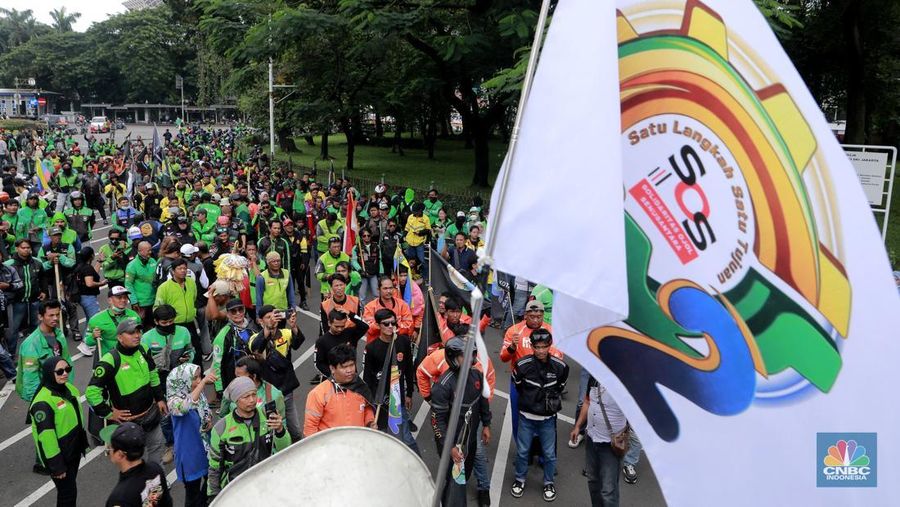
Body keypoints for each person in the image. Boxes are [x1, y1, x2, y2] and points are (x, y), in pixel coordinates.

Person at [87, 318, 168, 466]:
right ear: (119, 337)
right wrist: (109, 413)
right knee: (132, 460)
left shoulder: (144, 348)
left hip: (151, 414)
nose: (137, 335)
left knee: (156, 448)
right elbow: (92, 392)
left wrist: (160, 398)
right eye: (131, 333)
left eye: (138, 331)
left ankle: (157, 483)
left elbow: (153, 373)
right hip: (128, 424)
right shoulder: (110, 360)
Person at [429, 337, 492, 506]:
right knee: (451, 478)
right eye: (464, 355)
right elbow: (437, 420)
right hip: (452, 442)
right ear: (453, 357)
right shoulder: (443, 386)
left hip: (470, 439)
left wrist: (486, 424)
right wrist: (449, 447)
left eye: (472, 355)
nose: (470, 359)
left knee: (465, 473)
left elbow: (483, 402)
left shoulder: (477, 375)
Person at [207, 377, 290, 500]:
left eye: (254, 394)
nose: (252, 400)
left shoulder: (268, 418)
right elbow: (214, 466)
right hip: (236, 491)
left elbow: (285, 449)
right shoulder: (221, 428)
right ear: (235, 400)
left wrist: (280, 430)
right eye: (246, 397)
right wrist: (213, 495)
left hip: (267, 485)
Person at [509, 329, 569, 502]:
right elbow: (518, 386)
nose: (541, 350)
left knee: (549, 454)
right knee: (522, 452)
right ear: (533, 347)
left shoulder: (560, 367)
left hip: (547, 420)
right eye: (537, 347)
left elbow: (560, 386)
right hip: (526, 418)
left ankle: (549, 482)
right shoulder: (521, 365)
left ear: (549, 346)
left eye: (544, 347)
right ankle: (519, 479)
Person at [29, 356, 89, 507]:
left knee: (69, 491)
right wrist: (57, 466)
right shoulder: (42, 403)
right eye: (60, 371)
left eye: (67, 369)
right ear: (49, 373)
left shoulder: (68, 388)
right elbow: (47, 437)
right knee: (67, 495)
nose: (65, 373)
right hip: (60, 458)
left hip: (72, 451)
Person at [362, 308, 418, 454]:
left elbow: (408, 369)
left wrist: (409, 393)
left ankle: (419, 468)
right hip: (380, 400)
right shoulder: (371, 348)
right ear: (378, 325)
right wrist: (370, 404)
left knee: (406, 438)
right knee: (383, 437)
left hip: (397, 399)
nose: (390, 327)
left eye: (393, 323)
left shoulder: (403, 342)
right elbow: (367, 378)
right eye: (386, 324)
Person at [248, 305, 305, 442]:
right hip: (269, 392)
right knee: (273, 432)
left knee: (296, 431)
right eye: (268, 318)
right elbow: (256, 348)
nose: (272, 320)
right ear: (260, 321)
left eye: (274, 316)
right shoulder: (254, 337)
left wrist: (294, 326)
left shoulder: (285, 333)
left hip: (286, 389)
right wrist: (267, 329)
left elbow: (298, 343)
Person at [570, 377, 627, 507]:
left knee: (608, 491)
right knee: (593, 482)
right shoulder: (594, 376)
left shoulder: (626, 383)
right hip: (591, 438)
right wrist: (578, 426)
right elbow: (587, 402)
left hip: (611, 445)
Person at [166, 363, 216, 507]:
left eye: (199, 377)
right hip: (189, 455)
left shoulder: (198, 394)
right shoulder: (174, 401)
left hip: (206, 448)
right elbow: (185, 407)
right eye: (194, 378)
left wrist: (208, 422)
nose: (199, 381)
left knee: (212, 484)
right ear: (182, 380)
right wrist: (204, 383)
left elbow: (205, 412)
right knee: (192, 494)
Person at [304, 343, 376, 437]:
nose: (349, 370)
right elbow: (310, 428)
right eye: (344, 367)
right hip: (331, 448)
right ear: (332, 368)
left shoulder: (361, 387)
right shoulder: (317, 394)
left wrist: (370, 423)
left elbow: (367, 409)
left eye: (351, 365)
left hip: (358, 445)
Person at [102, 422, 174, 507]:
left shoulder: (119, 499)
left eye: (110, 447)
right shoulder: (155, 470)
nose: (108, 450)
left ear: (120, 454)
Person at [16, 301, 71, 412]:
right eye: (51, 315)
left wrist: (68, 386)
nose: (55, 318)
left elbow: (66, 361)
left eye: (57, 314)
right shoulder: (31, 344)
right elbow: (30, 378)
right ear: (40, 316)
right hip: (44, 395)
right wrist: (39, 403)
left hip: (60, 388)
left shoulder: (59, 334)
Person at [154, 259, 201, 367]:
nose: (183, 271)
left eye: (185, 268)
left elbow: (193, 298)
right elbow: (158, 307)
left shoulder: (191, 282)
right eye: (180, 268)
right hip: (174, 325)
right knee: (178, 354)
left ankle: (199, 374)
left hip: (190, 323)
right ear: (173, 271)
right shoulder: (164, 287)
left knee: (196, 350)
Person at [211, 298, 260, 399]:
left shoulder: (252, 326)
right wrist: (220, 389)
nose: (238, 313)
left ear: (244, 310)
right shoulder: (223, 335)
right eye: (233, 311)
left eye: (240, 309)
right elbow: (217, 364)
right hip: (235, 382)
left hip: (255, 379)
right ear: (228, 314)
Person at [5, 239, 47, 357]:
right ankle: (11, 355)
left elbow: (43, 277)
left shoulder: (37, 262)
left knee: (36, 326)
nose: (26, 250)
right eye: (23, 248)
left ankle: (35, 352)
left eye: (28, 247)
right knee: (13, 329)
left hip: (34, 300)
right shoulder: (9, 264)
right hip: (17, 302)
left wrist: (44, 291)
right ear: (17, 248)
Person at [84, 286, 142, 360]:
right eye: (119, 297)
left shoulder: (134, 315)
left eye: (125, 297)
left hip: (132, 356)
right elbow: (87, 342)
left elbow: (140, 335)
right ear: (110, 300)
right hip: (110, 359)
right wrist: (93, 336)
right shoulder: (96, 320)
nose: (123, 300)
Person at [313, 308, 368, 379]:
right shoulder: (321, 341)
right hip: (334, 380)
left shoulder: (350, 333)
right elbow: (318, 364)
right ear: (329, 323)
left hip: (352, 377)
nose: (339, 329)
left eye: (342, 326)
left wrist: (350, 314)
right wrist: (334, 376)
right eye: (336, 326)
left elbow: (365, 326)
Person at [362, 277, 414, 343]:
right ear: (378, 290)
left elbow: (409, 326)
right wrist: (395, 325)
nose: (389, 291)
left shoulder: (402, 305)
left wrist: (383, 325)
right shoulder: (369, 307)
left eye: (391, 288)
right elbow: (369, 329)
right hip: (375, 345)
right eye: (385, 288)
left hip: (397, 344)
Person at [125, 241, 159, 330]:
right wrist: (133, 301)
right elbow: (128, 284)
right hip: (140, 304)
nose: (150, 252)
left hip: (154, 301)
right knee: (140, 326)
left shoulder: (152, 261)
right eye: (148, 250)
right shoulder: (132, 266)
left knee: (155, 325)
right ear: (140, 251)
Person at [254, 251, 294, 316]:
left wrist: (293, 308)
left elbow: (291, 294)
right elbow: (259, 298)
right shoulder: (261, 277)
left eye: (278, 261)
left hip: (283, 311)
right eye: (273, 261)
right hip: (268, 313)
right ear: (268, 263)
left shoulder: (287, 274)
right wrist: (258, 315)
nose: (276, 263)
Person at [73, 247, 106, 323]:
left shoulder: (80, 266)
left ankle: (86, 335)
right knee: (96, 321)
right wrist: (102, 283)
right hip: (88, 298)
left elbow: (92, 273)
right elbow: (89, 283)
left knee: (90, 322)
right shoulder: (87, 268)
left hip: (82, 297)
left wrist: (99, 261)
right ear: (91, 256)